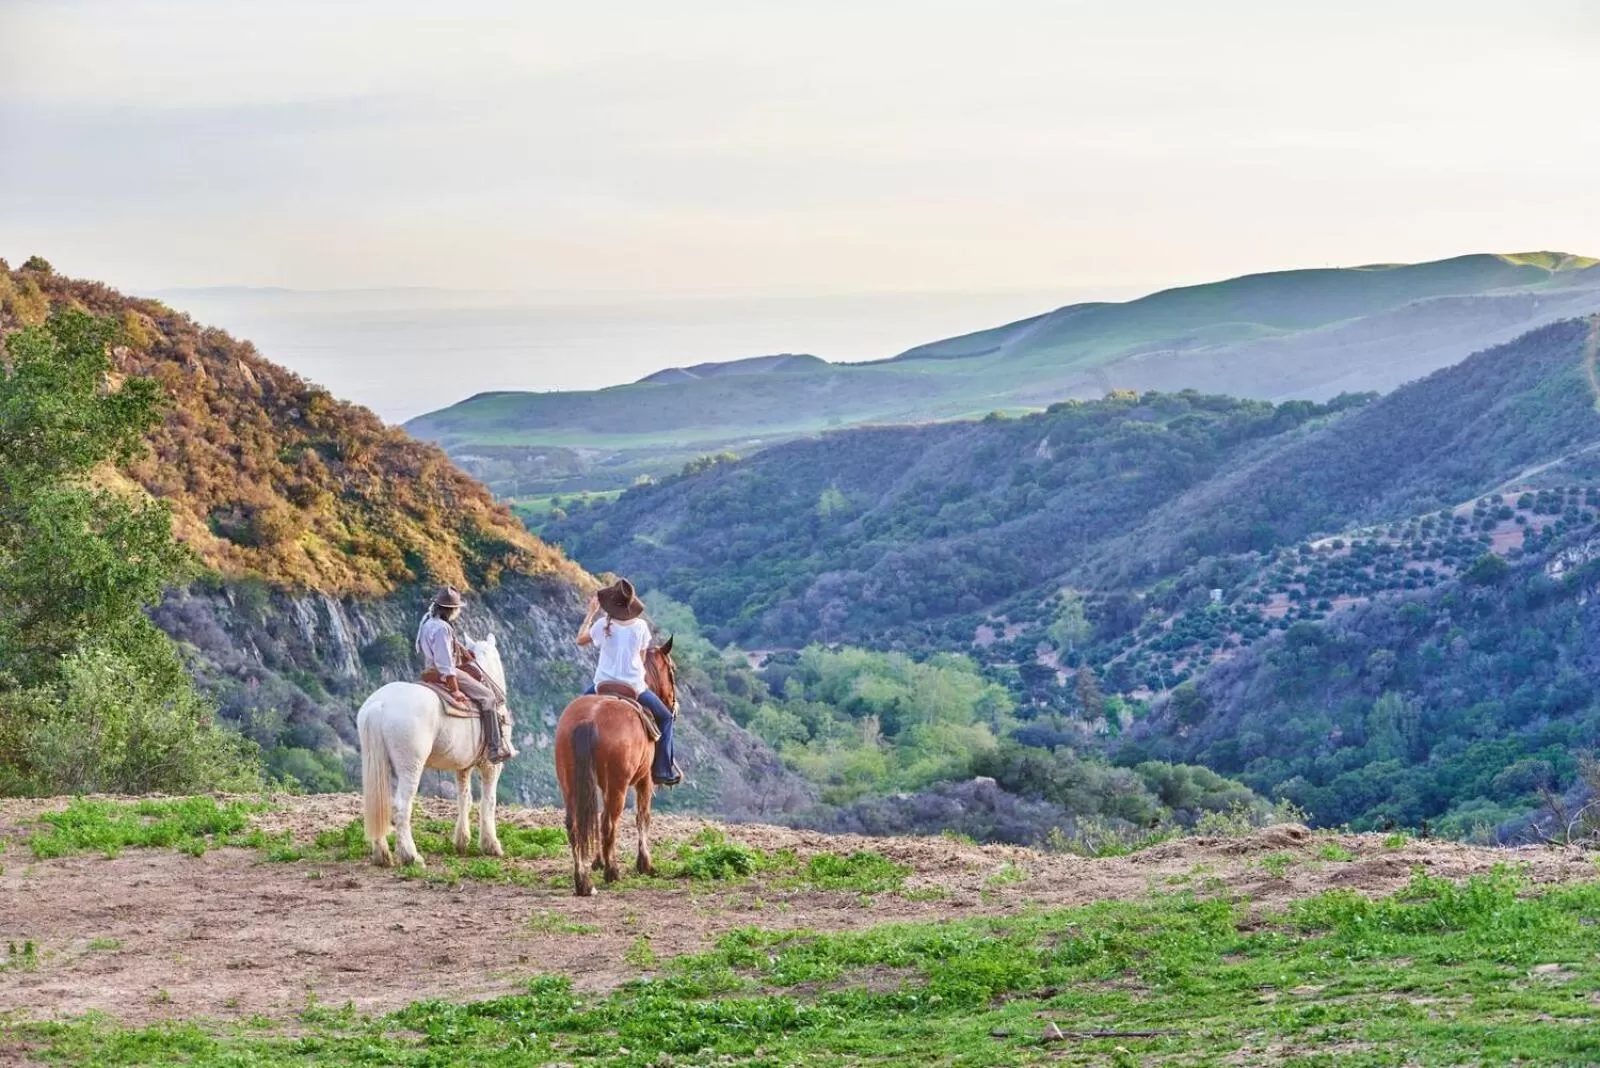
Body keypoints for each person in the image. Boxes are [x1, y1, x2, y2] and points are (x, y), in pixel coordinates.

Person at [576, 578, 680, 786]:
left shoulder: (601, 625)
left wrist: (590, 614)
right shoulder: (641, 627)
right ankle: (662, 770)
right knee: (666, 717)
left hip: (601, 686)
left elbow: (580, 640)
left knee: (576, 717)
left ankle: (573, 760)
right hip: (634, 688)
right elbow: (641, 660)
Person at [416, 586, 515, 763]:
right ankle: (494, 748)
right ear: (451, 610)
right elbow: (446, 665)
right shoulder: (442, 629)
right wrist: (454, 690)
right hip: (443, 673)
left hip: (428, 672)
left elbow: (442, 650)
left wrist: (463, 652)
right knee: (488, 697)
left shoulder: (428, 624)